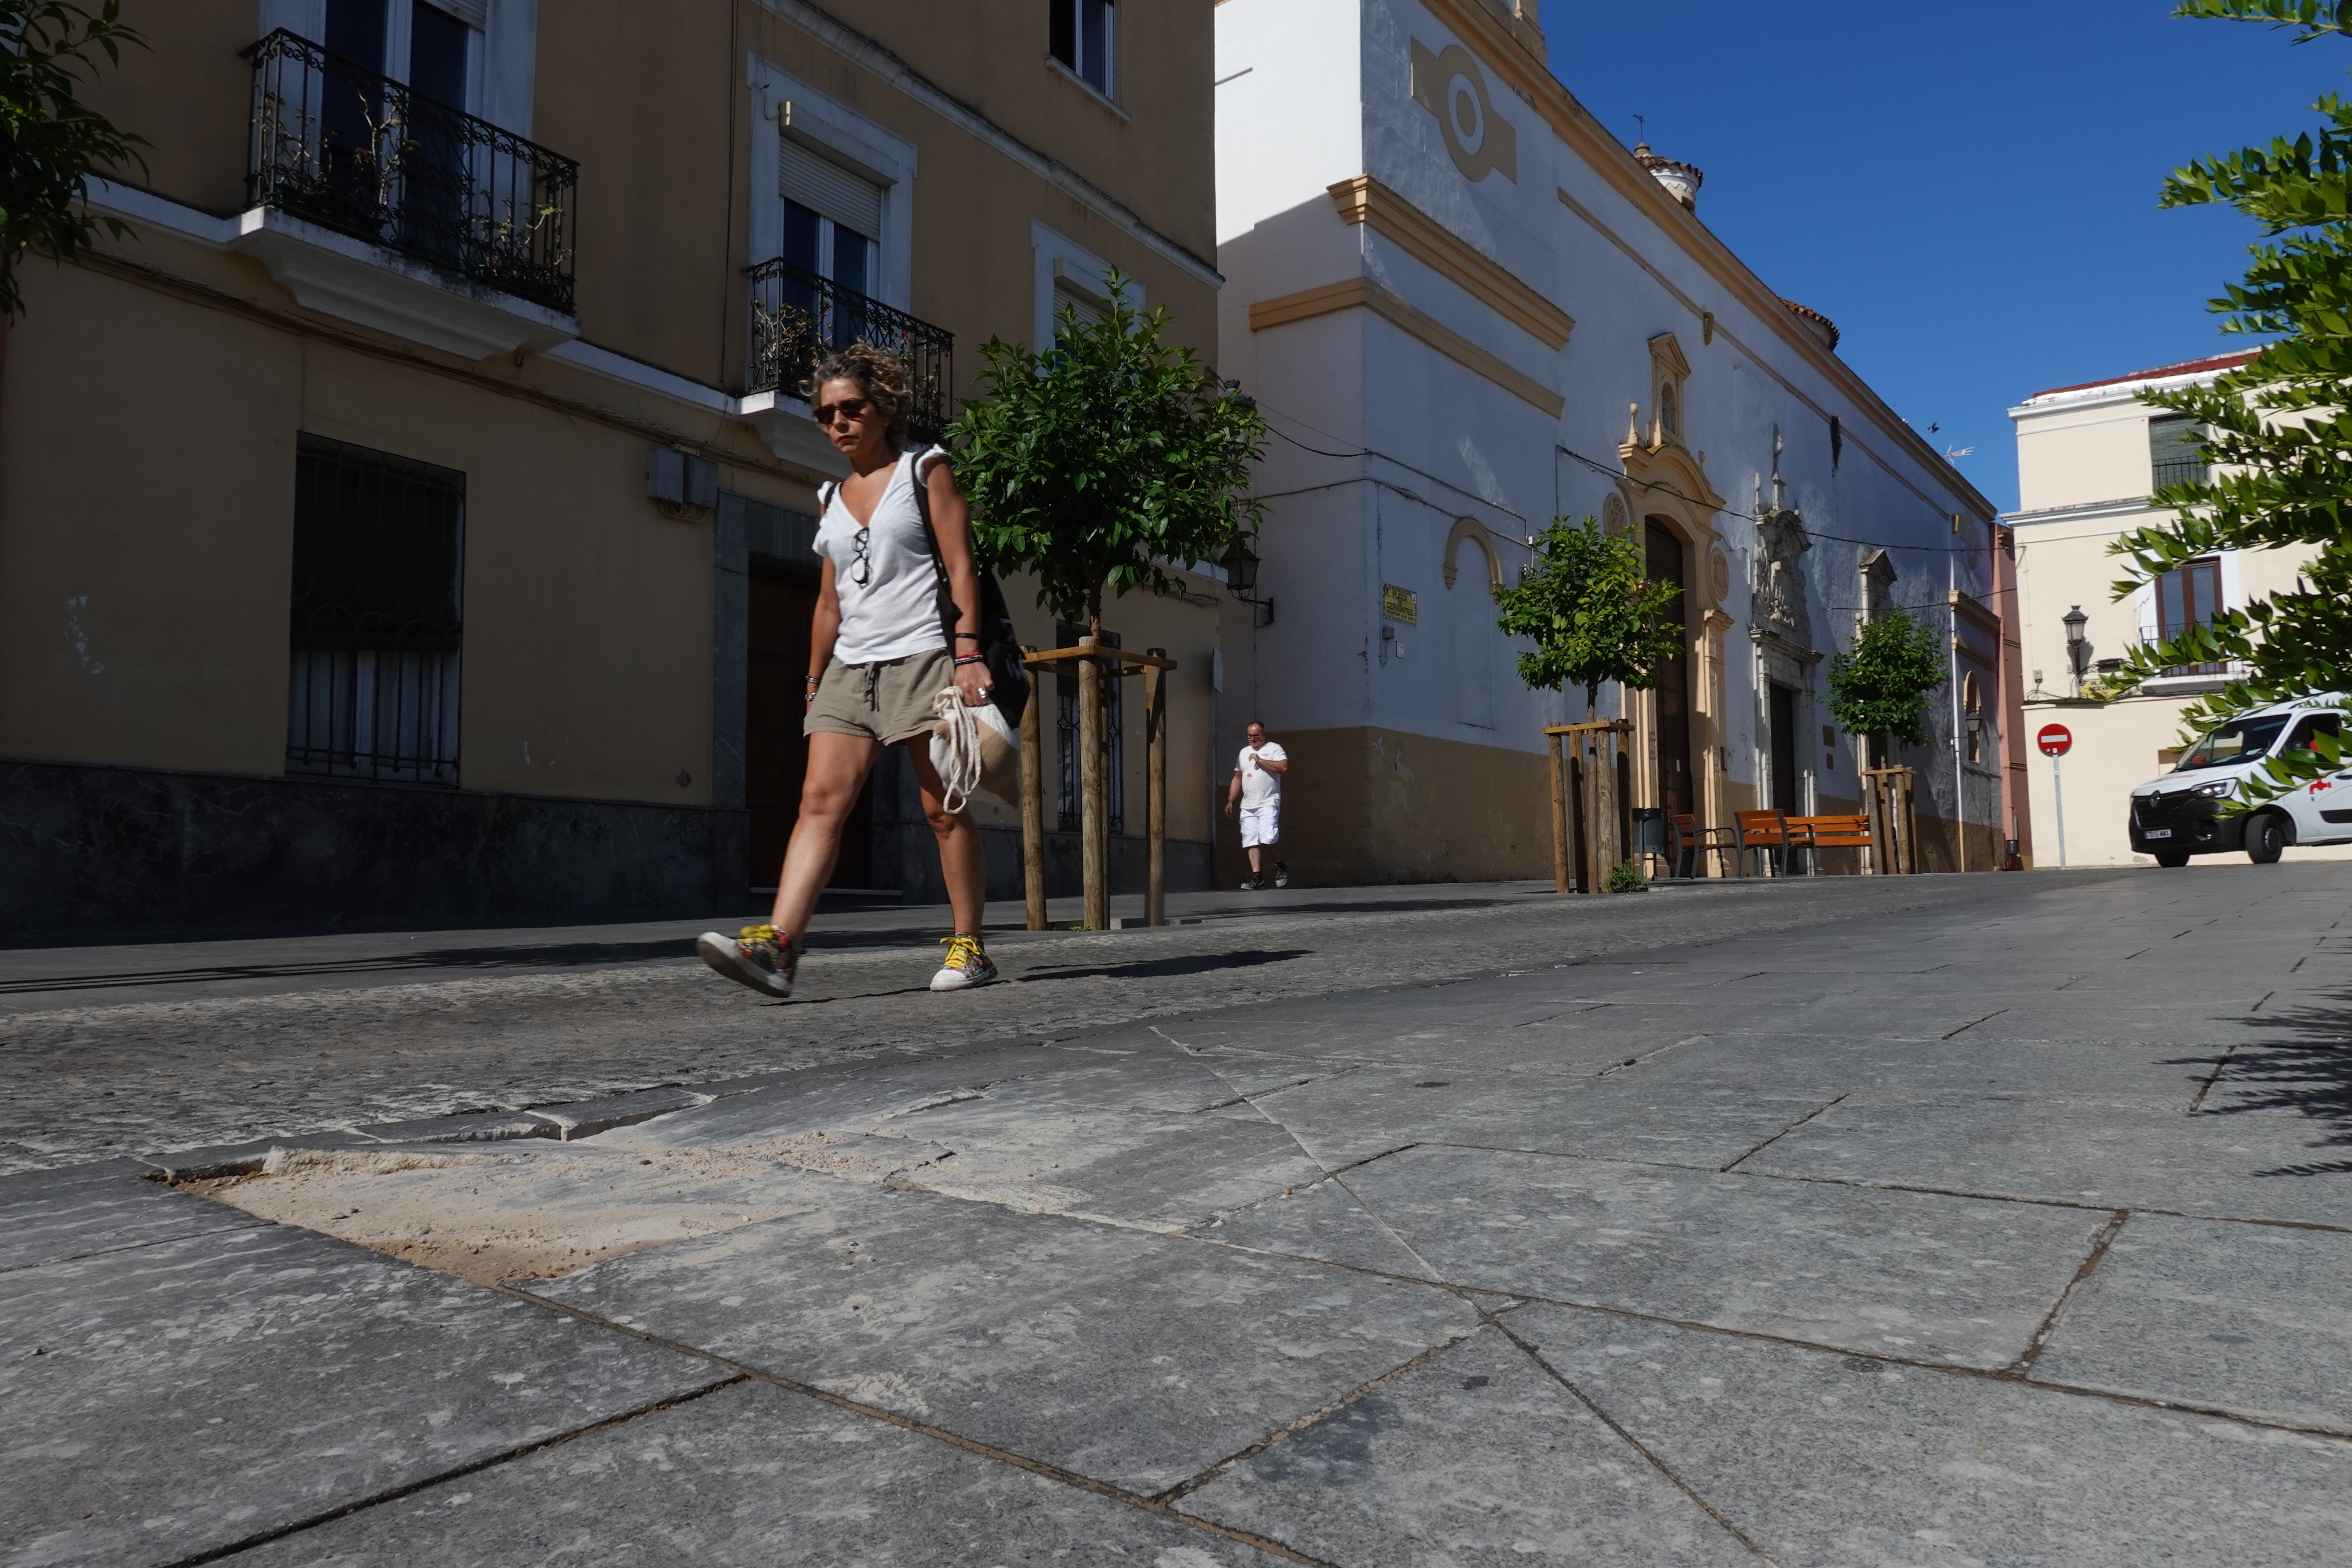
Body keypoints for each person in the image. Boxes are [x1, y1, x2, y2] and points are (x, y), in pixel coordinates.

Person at [697, 343, 997, 998]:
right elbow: (829, 601)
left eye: (851, 408)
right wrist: (813, 680)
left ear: (884, 408)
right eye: (826, 413)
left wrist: (968, 652)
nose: (838, 423)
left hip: (922, 657)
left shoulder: (926, 469)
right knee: (817, 804)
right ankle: (780, 949)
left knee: (941, 808)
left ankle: (970, 948)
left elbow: (961, 567)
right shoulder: (831, 494)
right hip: (849, 671)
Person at [1224, 720, 1289, 889]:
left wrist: (1261, 761)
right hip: (1248, 805)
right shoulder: (1243, 753)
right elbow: (1238, 778)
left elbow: (1283, 768)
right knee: (1250, 841)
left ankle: (1280, 866)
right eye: (1250, 737)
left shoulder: (1274, 749)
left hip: (1269, 801)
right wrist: (1231, 800)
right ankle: (1257, 878)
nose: (1253, 740)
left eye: (1256, 736)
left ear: (1264, 735)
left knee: (1268, 837)